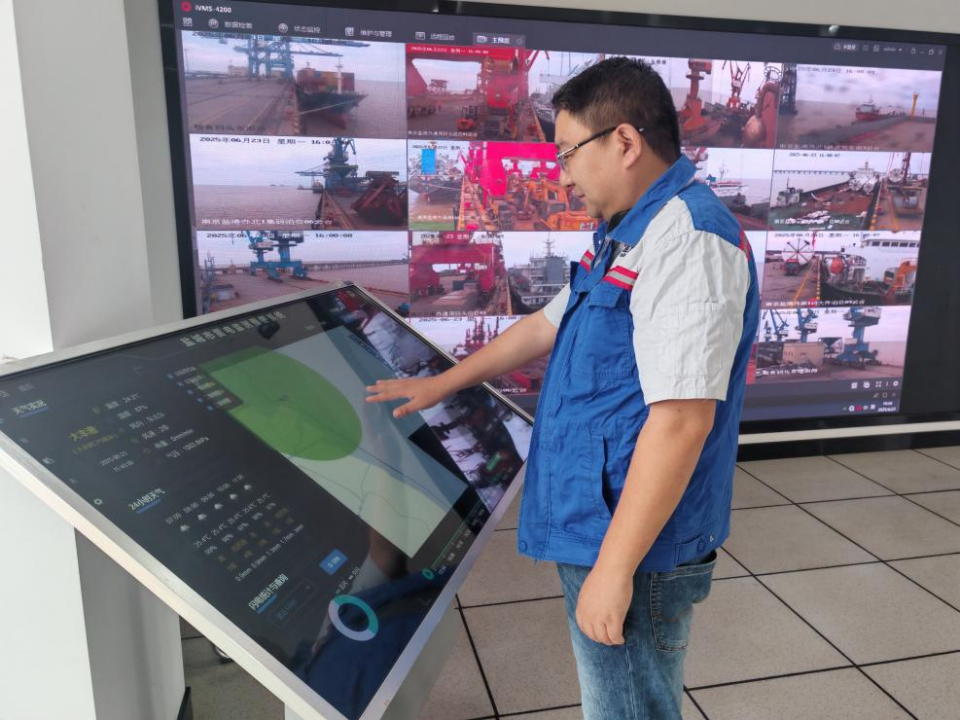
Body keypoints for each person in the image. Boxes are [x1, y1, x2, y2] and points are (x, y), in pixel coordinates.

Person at [367, 57, 759, 719]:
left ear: (625, 142)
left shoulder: (688, 241)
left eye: (569, 152)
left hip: (633, 543)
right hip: (601, 520)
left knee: (627, 710)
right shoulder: (630, 231)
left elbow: (681, 422)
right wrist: (442, 383)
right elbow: (547, 323)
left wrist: (614, 570)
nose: (563, 173)